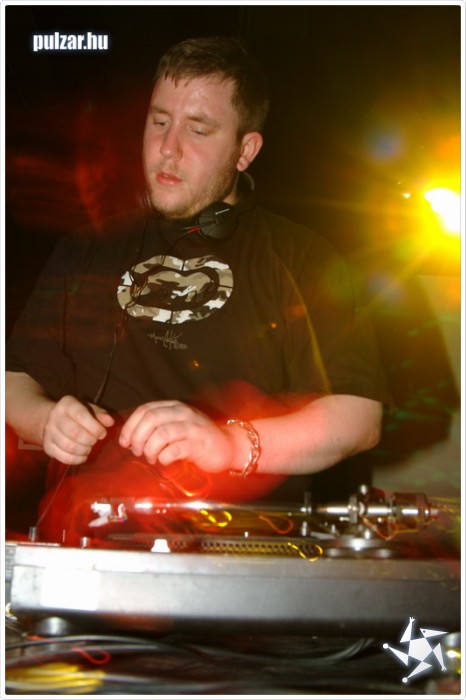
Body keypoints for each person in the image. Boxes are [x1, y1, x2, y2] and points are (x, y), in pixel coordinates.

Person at [5, 36, 390, 541]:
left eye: (198, 129)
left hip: (238, 550)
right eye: (159, 122)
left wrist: (230, 445)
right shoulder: (85, 247)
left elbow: (359, 416)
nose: (168, 148)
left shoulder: (303, 257)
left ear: (245, 151)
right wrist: (45, 420)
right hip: (85, 540)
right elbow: (13, 380)